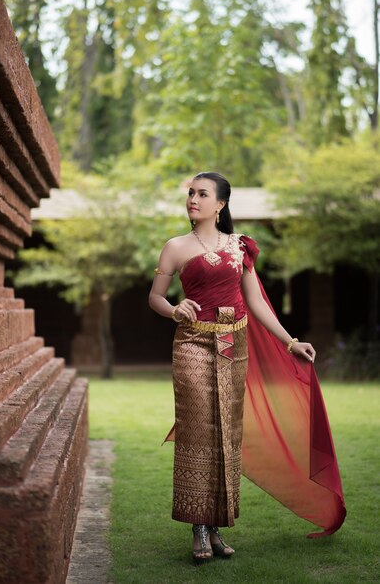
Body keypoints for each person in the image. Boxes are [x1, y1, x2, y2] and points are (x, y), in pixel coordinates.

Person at [148, 172, 345, 565]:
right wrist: (173, 309)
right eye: (191, 193)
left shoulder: (240, 247)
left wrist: (290, 340)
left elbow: (255, 303)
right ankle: (198, 527)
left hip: (233, 348)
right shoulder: (174, 247)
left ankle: (216, 525)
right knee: (198, 429)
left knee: (226, 431)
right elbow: (155, 297)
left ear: (220, 204)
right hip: (192, 345)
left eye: (202, 194)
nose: (193, 199)